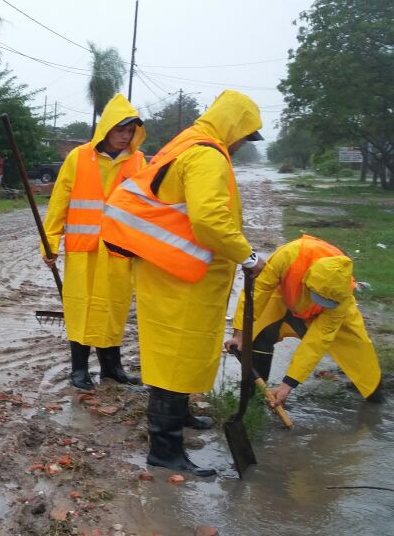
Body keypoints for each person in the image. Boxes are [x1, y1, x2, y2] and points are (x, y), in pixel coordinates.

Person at [101, 89, 266, 477]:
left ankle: (181, 417)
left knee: (179, 352)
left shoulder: (188, 143)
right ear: (234, 126)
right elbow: (208, 220)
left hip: (172, 270)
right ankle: (165, 448)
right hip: (180, 276)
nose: (243, 144)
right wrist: (248, 255)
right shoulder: (207, 154)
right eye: (245, 135)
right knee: (175, 356)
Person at [41, 93, 146, 390]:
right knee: (80, 308)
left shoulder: (138, 161)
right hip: (83, 249)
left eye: (131, 131)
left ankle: (112, 369)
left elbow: (147, 208)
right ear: (107, 128)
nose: (125, 137)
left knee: (114, 309)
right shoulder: (79, 157)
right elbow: (59, 203)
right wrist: (49, 245)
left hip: (118, 250)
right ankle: (79, 370)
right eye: (120, 130)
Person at [224, 234, 383, 406]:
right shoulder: (289, 255)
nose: (320, 302)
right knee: (257, 334)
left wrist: (288, 384)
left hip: (321, 316)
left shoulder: (341, 296)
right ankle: (253, 401)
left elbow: (316, 342)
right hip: (282, 297)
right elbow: (258, 292)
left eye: (326, 302)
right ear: (307, 280)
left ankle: (374, 395)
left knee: (360, 354)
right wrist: (239, 333)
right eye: (318, 297)